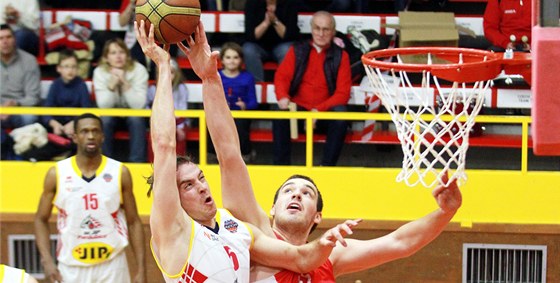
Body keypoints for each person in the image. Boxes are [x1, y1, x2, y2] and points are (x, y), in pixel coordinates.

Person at [135, 20, 360, 282]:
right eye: (187, 186)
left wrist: (210, 77)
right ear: (174, 198)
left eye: (200, 178)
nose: (202, 187)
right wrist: (163, 66)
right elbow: (164, 145)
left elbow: (301, 259)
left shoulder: (236, 228)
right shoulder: (173, 229)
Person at [34, 113, 146, 283]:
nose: (91, 136)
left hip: (112, 265)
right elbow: (40, 219)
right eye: (85, 131)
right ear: (75, 137)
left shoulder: (119, 172)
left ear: (103, 136)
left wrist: (141, 269)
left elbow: (134, 222)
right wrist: (47, 261)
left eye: (95, 131)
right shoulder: (56, 173)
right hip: (71, 267)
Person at [272, 11, 351, 166]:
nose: (321, 33)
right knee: (279, 113)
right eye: (317, 28)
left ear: (333, 32)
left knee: (340, 117)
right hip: (298, 110)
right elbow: (282, 77)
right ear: (311, 29)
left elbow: (343, 93)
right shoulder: (297, 50)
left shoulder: (341, 56)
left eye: (326, 29)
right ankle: (281, 166)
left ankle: (327, 167)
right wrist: (283, 96)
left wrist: (318, 110)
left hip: (324, 114)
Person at [93, 38, 149, 163]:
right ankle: (104, 162)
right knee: (105, 120)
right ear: (106, 57)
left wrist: (124, 83)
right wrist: (112, 85)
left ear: (127, 55)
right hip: (110, 113)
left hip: (133, 113)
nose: (118, 56)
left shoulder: (139, 70)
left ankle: (137, 162)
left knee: (136, 119)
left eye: (121, 52)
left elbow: (139, 105)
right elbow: (103, 105)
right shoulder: (100, 72)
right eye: (113, 53)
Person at [217, 42, 258, 162]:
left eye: (236, 57)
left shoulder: (248, 77)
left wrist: (245, 105)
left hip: (241, 115)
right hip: (220, 114)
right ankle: (215, 156)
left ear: (241, 60)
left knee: (240, 126)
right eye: (228, 57)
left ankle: (245, 155)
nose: (232, 61)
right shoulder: (216, 76)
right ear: (222, 60)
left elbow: (253, 102)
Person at [243, 0, 300, 82]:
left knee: (287, 49)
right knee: (248, 49)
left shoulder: (290, 3)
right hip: (259, 46)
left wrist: (275, 21)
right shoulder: (252, 3)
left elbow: (289, 36)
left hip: (281, 45)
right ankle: (257, 87)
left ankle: (284, 87)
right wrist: (266, 23)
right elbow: (251, 36)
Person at [41, 49, 93, 139]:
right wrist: (54, 124)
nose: (70, 70)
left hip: (76, 126)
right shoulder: (55, 85)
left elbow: (86, 110)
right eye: (66, 67)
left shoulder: (81, 85)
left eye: (74, 67)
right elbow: (47, 110)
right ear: (59, 68)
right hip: (58, 125)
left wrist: (74, 123)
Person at [146, 58, 189, 155]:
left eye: (172, 72)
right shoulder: (153, 88)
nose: (168, 75)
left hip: (178, 122)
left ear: (177, 74)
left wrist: (178, 126)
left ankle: (177, 165)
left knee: (179, 136)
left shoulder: (181, 88)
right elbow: (147, 107)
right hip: (158, 123)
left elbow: (183, 110)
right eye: (163, 72)